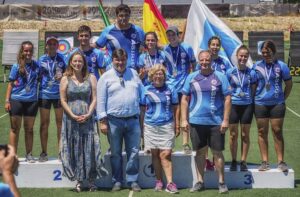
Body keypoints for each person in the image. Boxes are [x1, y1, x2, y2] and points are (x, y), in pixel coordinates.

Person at [181, 50, 231, 194]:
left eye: (207, 60)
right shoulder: (191, 77)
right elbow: (184, 99)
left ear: (211, 60)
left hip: (216, 122)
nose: (204, 62)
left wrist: (226, 120)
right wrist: (184, 119)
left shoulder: (220, 76)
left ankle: (221, 183)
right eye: (202, 60)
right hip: (197, 122)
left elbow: (228, 99)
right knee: (200, 153)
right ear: (198, 60)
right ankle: (200, 182)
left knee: (217, 153)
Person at [60, 51, 108, 192]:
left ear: (84, 63)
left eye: (80, 61)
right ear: (70, 62)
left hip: (88, 118)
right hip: (71, 118)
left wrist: (89, 113)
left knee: (91, 146)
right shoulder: (65, 79)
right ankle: (79, 180)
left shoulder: (91, 77)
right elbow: (63, 99)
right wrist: (72, 115)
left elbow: (95, 98)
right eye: (75, 61)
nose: (77, 63)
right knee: (75, 147)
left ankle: (92, 180)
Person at [97, 49, 143, 192]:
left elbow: (142, 93)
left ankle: (132, 180)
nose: (120, 63)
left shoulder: (134, 74)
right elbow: (101, 100)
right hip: (113, 121)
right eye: (117, 60)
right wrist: (102, 121)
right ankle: (117, 180)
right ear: (113, 60)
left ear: (127, 60)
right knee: (115, 153)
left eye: (123, 60)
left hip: (133, 120)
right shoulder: (105, 77)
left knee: (134, 151)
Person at [254, 40, 293, 172]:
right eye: (264, 52)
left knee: (277, 131)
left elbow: (289, 84)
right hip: (260, 104)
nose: (266, 54)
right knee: (261, 132)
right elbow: (253, 85)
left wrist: (283, 98)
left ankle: (281, 161)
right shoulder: (257, 66)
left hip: (277, 104)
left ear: (274, 51)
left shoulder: (282, 66)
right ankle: (264, 162)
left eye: (268, 52)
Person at [140, 65, 180, 194]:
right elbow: (142, 110)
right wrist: (142, 127)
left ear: (164, 75)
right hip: (150, 126)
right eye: (156, 74)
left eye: (161, 74)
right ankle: (159, 181)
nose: (158, 76)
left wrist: (177, 124)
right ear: (151, 76)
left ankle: (170, 183)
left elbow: (176, 108)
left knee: (166, 153)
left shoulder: (171, 89)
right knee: (155, 154)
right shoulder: (145, 89)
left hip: (167, 125)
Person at [163, 26, 196, 155]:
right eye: (169, 35)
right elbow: (164, 65)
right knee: (170, 115)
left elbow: (194, 64)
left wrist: (192, 79)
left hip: (184, 85)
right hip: (170, 85)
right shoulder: (165, 49)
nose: (171, 37)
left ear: (178, 35)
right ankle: (169, 143)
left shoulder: (187, 48)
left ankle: (185, 143)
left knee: (184, 115)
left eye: (173, 35)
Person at [5, 41, 39, 163]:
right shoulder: (16, 66)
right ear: (22, 51)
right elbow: (10, 84)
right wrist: (7, 100)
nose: (28, 53)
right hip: (16, 100)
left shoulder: (37, 65)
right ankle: (12, 155)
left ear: (32, 51)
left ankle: (29, 154)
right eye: (26, 50)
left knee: (29, 129)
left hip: (32, 101)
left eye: (30, 50)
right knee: (15, 128)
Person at [226, 45, 257, 171]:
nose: (243, 58)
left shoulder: (252, 73)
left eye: (245, 56)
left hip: (247, 106)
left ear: (248, 57)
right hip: (233, 105)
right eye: (241, 56)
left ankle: (243, 161)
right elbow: (227, 89)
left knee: (245, 135)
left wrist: (249, 100)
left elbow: (253, 89)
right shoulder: (230, 72)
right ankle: (234, 160)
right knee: (233, 135)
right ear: (237, 57)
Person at [38, 36, 66, 162]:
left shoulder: (62, 58)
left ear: (57, 45)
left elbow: (68, 73)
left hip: (59, 95)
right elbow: (37, 76)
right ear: (46, 46)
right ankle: (44, 152)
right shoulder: (41, 60)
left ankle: (61, 152)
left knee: (60, 124)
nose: (52, 46)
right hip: (44, 95)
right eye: (50, 44)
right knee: (44, 124)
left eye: (55, 43)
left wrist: (64, 75)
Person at [95, 4, 145, 69]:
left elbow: (149, 44)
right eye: (121, 16)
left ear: (129, 16)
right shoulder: (108, 30)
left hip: (133, 71)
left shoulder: (138, 30)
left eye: (126, 15)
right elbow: (96, 46)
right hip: (113, 71)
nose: (124, 18)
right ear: (116, 16)